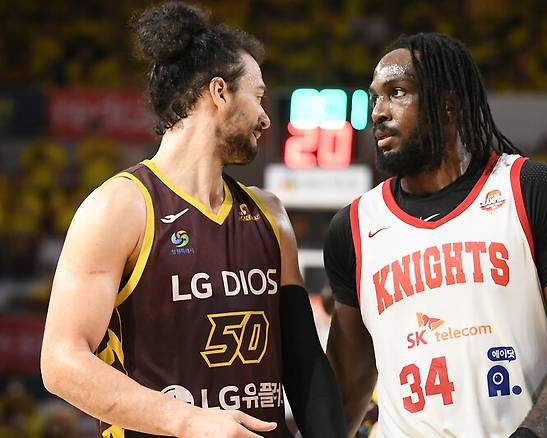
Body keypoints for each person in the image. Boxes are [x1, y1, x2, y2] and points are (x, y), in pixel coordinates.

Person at [40, 3, 345, 437]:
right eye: (258, 96)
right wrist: (188, 420)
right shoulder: (121, 207)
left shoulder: (270, 215)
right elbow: (61, 362)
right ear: (219, 92)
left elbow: (305, 363)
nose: (266, 117)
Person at [324, 32, 547, 438]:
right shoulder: (352, 228)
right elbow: (346, 391)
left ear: (448, 105)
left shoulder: (529, 189)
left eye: (397, 93)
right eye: (375, 98)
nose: (379, 112)